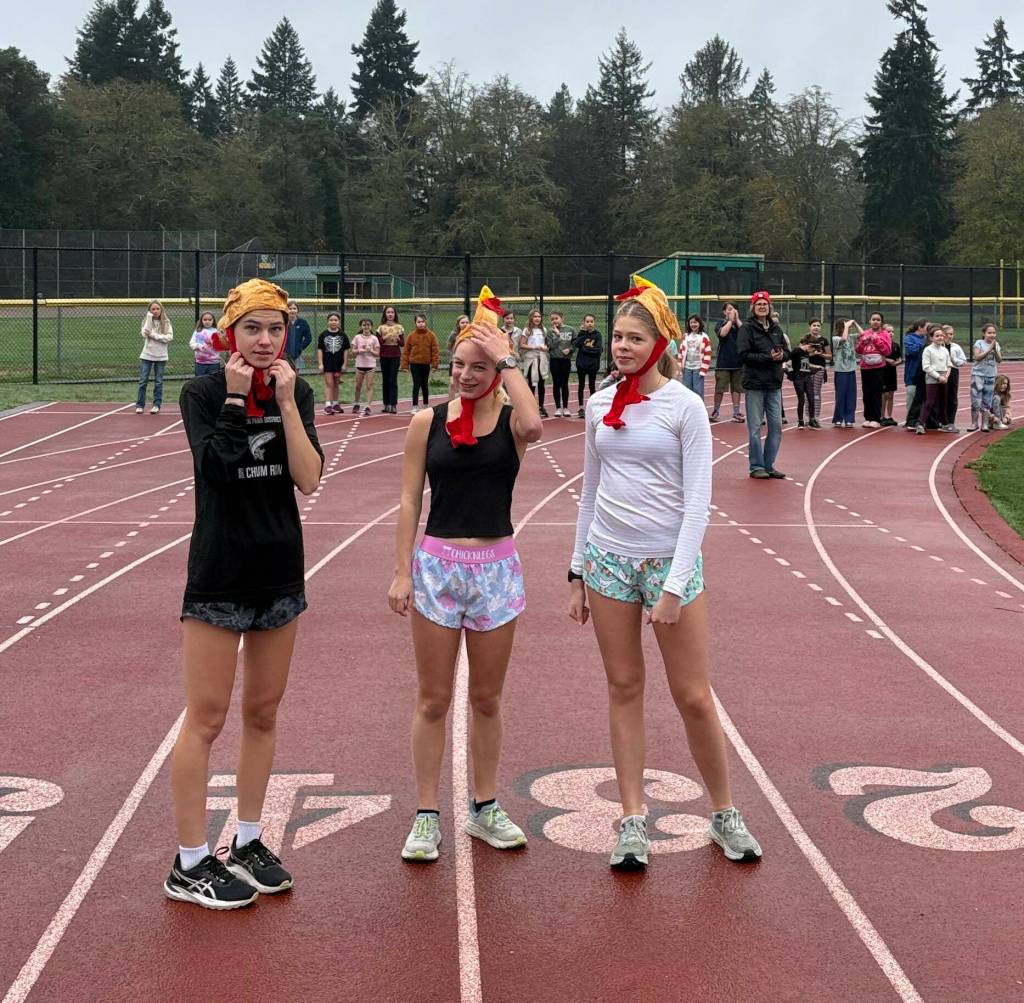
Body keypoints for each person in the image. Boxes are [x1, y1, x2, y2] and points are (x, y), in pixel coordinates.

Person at [568, 275, 762, 870]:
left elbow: (697, 502)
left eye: (633, 338)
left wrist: (675, 586)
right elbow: (588, 491)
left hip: (668, 563)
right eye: (617, 337)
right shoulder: (599, 404)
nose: (622, 347)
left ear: (659, 344)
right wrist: (578, 570)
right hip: (607, 561)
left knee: (693, 695)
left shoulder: (684, 408)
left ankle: (724, 812)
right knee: (623, 687)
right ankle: (631, 820)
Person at [165, 278, 323, 909]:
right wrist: (235, 400)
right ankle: (189, 861)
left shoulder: (298, 390)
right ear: (230, 333)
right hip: (220, 574)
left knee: (262, 714)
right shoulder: (201, 392)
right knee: (205, 718)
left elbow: (308, 479)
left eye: (275, 329)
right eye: (253, 328)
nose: (264, 340)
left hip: (279, 570)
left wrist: (285, 405)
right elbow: (218, 470)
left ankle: (250, 838)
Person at [388, 286, 543, 862]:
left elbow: (534, 426)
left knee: (486, 699)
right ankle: (427, 813)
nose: (466, 375)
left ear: (498, 371)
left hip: (496, 570)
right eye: (459, 365)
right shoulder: (425, 423)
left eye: (478, 367)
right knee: (432, 699)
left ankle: (484, 806)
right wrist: (401, 571)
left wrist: (504, 356)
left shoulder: (510, 425)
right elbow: (408, 501)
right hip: (436, 567)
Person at [737, 291, 789, 480]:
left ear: (769, 307)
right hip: (755, 384)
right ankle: (756, 466)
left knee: (776, 426)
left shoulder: (776, 328)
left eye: (765, 304)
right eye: (758, 304)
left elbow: (787, 351)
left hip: (774, 383)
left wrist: (781, 356)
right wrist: (768, 357)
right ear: (753, 307)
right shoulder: (747, 329)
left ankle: (769, 464)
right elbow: (743, 355)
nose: (762, 307)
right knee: (755, 427)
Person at [137, 300, 173, 415]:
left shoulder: (166, 322)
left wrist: (154, 335)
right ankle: (140, 405)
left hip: (161, 356)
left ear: (161, 310)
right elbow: (144, 333)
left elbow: (168, 337)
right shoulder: (146, 321)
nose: (155, 311)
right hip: (147, 355)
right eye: (153, 309)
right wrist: (148, 318)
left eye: (157, 309)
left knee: (158, 381)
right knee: (143, 381)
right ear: (149, 311)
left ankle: (156, 405)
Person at [916, 325, 954, 435]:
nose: (940, 338)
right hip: (932, 378)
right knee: (929, 402)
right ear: (931, 338)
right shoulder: (928, 350)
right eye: (937, 336)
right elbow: (926, 367)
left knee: (943, 402)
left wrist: (946, 376)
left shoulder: (945, 350)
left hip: (944, 378)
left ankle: (944, 423)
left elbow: (949, 364)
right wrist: (938, 377)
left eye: (942, 335)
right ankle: (920, 423)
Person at [855, 313, 891, 428]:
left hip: (878, 368)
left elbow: (887, 351)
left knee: (876, 392)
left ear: (881, 322)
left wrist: (877, 340)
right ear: (870, 321)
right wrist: (863, 342)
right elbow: (858, 350)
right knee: (867, 393)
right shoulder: (865, 333)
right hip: (865, 367)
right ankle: (868, 417)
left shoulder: (885, 334)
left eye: (878, 320)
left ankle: (876, 418)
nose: (875, 321)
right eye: (873, 319)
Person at [402, 313, 440, 413]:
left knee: (425, 385)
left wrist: (435, 364)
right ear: (415, 323)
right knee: (416, 385)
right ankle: (414, 406)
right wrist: (405, 365)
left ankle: (426, 404)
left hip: (426, 364)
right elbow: (406, 351)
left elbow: (435, 350)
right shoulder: (411, 336)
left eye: (422, 322)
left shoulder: (431, 335)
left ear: (425, 322)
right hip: (414, 364)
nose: (421, 324)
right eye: (419, 322)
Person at [712, 302, 744, 422]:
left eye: (734, 309)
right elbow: (723, 333)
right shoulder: (721, 323)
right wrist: (730, 321)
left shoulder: (739, 325)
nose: (732, 311)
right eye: (730, 309)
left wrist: (737, 320)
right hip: (723, 363)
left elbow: (745, 333)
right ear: (724, 312)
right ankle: (716, 411)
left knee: (737, 389)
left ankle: (736, 413)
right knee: (720, 388)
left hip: (738, 363)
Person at [316, 311, 350, 415]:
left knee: (336, 384)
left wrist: (344, 364)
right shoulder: (323, 335)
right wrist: (320, 363)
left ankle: (335, 404)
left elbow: (346, 350)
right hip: (327, 362)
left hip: (338, 363)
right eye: (331, 320)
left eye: (335, 320)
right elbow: (320, 350)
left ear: (339, 322)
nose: (333, 322)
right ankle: (327, 405)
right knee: (329, 384)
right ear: (328, 321)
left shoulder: (343, 335)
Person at [972, 324, 1004, 431]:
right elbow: (977, 357)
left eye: (994, 333)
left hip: (991, 376)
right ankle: (974, 423)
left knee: (987, 401)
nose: (992, 335)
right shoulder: (979, 343)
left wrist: (995, 350)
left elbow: (999, 360)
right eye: (989, 333)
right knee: (976, 401)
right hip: (978, 375)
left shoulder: (996, 344)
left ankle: (984, 424)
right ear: (984, 333)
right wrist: (989, 349)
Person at [520, 308, 550, 417]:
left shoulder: (544, 330)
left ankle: (541, 406)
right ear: (531, 318)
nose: (537, 318)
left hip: (541, 358)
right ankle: (531, 406)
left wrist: (545, 348)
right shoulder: (527, 330)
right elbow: (522, 344)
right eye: (535, 316)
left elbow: (546, 344)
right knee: (532, 383)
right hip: (531, 359)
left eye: (539, 316)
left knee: (541, 383)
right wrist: (534, 347)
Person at [573, 314, 603, 417]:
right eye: (587, 322)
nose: (589, 323)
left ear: (594, 322)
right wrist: (584, 333)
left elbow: (598, 350)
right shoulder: (582, 334)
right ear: (584, 323)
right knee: (581, 385)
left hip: (592, 364)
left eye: (591, 321)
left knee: (591, 385)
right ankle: (581, 408)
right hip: (581, 364)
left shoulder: (597, 335)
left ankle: (593, 407)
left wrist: (585, 349)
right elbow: (577, 344)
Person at [377, 306, 405, 414]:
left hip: (395, 356)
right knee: (385, 379)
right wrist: (384, 337)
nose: (390, 314)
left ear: (395, 314)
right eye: (388, 312)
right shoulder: (381, 328)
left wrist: (398, 338)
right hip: (384, 355)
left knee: (392, 380)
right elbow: (378, 342)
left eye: (392, 312)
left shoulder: (399, 327)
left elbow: (402, 344)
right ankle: (386, 404)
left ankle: (393, 404)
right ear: (385, 314)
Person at [831, 319, 858, 427]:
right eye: (845, 327)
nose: (848, 328)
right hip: (840, 371)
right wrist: (846, 327)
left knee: (851, 396)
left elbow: (863, 334)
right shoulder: (835, 338)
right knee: (841, 395)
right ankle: (838, 418)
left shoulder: (851, 337)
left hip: (851, 370)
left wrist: (855, 323)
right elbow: (844, 338)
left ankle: (849, 418)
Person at [351, 318, 380, 415]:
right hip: (360, 365)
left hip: (370, 365)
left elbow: (377, 354)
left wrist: (370, 350)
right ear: (361, 326)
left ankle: (368, 405)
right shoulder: (357, 337)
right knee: (358, 386)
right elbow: (353, 352)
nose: (366, 327)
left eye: (368, 325)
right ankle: (356, 403)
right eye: (364, 325)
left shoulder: (374, 338)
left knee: (369, 386)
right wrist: (360, 350)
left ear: (371, 326)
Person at [549, 310, 575, 417]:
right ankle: (558, 408)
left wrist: (570, 349)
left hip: (565, 360)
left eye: (556, 318)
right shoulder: (550, 332)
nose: (554, 321)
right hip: (555, 359)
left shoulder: (570, 329)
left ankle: (565, 407)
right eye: (552, 319)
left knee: (564, 384)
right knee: (556, 383)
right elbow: (551, 346)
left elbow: (575, 343)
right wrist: (557, 335)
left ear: (562, 319)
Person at [681, 314, 712, 402]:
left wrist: (703, 370)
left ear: (699, 323)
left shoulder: (704, 337)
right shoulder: (686, 336)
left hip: (698, 368)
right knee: (686, 390)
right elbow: (681, 352)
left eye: (695, 322)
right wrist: (680, 366)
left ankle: (699, 411)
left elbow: (707, 354)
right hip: (687, 368)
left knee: (698, 391)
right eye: (691, 322)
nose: (693, 324)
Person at [941, 325, 966, 430]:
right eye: (947, 334)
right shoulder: (937, 347)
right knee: (941, 396)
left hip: (953, 372)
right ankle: (940, 421)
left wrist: (954, 359)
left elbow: (963, 361)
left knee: (952, 396)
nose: (949, 336)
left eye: (951, 334)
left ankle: (950, 422)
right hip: (940, 372)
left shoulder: (956, 347)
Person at [903, 319, 927, 418]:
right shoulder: (909, 338)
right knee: (912, 395)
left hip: (925, 373)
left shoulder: (928, 338)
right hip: (912, 373)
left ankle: (922, 419)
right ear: (920, 327)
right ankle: (910, 419)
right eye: (927, 328)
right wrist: (925, 344)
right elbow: (912, 351)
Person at [880, 324, 902, 427]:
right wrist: (888, 360)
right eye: (888, 331)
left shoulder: (896, 345)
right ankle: (881, 416)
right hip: (883, 371)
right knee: (884, 395)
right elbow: (879, 356)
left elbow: (900, 359)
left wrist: (897, 362)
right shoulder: (881, 344)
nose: (891, 333)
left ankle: (889, 416)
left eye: (892, 331)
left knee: (891, 395)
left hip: (892, 372)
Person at [190, 311, 221, 377]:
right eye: (205, 320)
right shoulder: (198, 331)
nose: (207, 321)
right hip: (200, 363)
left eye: (210, 320)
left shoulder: (216, 331)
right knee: (200, 381)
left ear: (213, 320)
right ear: (201, 320)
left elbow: (221, 344)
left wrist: (213, 343)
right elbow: (192, 343)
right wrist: (198, 346)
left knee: (213, 381)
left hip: (214, 362)